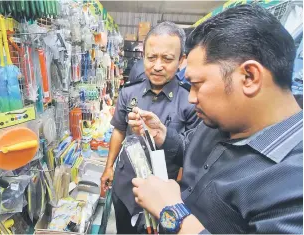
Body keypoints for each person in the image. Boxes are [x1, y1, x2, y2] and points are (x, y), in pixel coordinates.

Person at [128, 4, 303, 234]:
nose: (191, 98)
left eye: (197, 85)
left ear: (249, 77)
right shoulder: (220, 120)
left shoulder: (294, 184)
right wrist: (163, 136)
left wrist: (172, 212)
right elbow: (190, 148)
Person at [100, 21, 200, 234]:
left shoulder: (190, 101)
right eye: (151, 57)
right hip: (125, 187)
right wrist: (109, 166)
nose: (157, 66)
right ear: (143, 55)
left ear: (181, 61)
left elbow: (192, 155)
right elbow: (118, 129)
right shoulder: (129, 93)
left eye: (167, 59)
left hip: (162, 195)